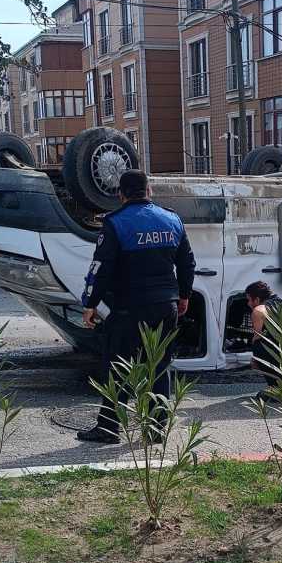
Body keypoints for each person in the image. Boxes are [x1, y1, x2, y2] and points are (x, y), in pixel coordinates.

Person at [77, 169, 196, 444]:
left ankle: (108, 429)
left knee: (117, 367)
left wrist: (90, 303)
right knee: (159, 365)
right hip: (166, 306)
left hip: (129, 308)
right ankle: (155, 430)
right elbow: (187, 263)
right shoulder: (172, 220)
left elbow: (100, 268)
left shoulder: (116, 223)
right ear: (149, 191)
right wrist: (184, 296)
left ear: (121, 194)